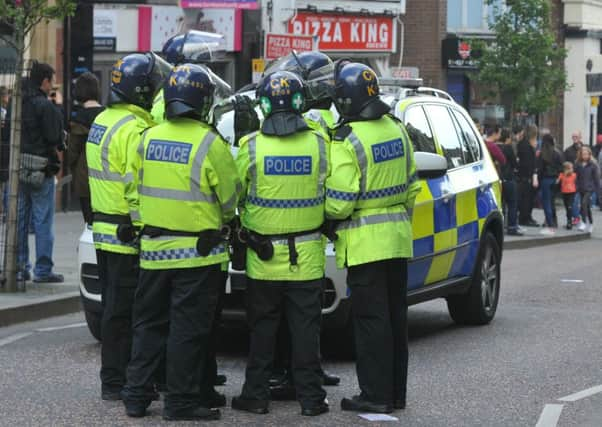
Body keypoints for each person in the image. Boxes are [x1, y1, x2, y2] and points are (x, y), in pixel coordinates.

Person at [121, 64, 239, 421]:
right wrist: (226, 222)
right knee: (187, 331)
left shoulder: (148, 137)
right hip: (197, 258)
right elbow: (231, 199)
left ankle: (136, 396)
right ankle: (181, 402)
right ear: (203, 102)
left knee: (148, 326)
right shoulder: (209, 142)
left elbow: (132, 188)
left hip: (154, 252)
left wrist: (147, 225)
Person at [231, 71, 329, 417]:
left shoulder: (251, 146)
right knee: (306, 332)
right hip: (308, 255)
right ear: (302, 103)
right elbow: (331, 196)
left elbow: (232, 196)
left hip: (263, 257)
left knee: (262, 331)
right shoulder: (319, 143)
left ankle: (256, 397)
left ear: (263, 104)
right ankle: (312, 400)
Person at [325, 62, 420, 413]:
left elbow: (339, 202)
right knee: (396, 318)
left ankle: (374, 395)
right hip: (397, 238)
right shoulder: (396, 129)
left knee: (370, 322)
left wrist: (326, 214)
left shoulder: (346, 139)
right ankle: (395, 393)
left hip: (365, 244)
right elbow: (413, 184)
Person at [86, 52, 168, 401]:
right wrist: (145, 227)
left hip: (105, 231)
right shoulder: (136, 130)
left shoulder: (103, 120)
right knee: (130, 312)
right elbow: (137, 187)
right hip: (127, 233)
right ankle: (120, 381)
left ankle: (114, 378)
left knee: (112, 309)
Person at [260, 50, 341, 400]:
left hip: (270, 240)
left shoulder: (301, 121)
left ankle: (284, 376)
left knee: (274, 319)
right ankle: (306, 379)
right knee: (304, 318)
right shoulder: (320, 125)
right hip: (309, 233)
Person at [17, 61, 65, 282]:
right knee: (43, 220)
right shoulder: (45, 106)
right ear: (44, 81)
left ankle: (19, 266)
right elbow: (55, 138)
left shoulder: (18, 103)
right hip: (41, 169)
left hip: (18, 168)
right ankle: (43, 270)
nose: (52, 85)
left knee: (19, 220)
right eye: (51, 81)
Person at [66, 73, 104, 224]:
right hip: (107, 177)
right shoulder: (107, 115)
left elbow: (72, 154)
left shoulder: (77, 119)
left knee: (90, 223)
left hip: (85, 179)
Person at [537, 134, 563, 235]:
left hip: (546, 180)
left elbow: (540, 169)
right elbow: (561, 168)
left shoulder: (543, 154)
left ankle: (550, 224)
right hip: (555, 180)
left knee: (546, 203)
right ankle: (552, 222)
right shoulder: (557, 153)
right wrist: (558, 178)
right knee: (551, 202)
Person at [498, 129, 522, 236]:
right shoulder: (508, 148)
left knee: (501, 204)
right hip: (509, 178)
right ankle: (512, 227)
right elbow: (514, 163)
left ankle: (500, 226)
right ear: (507, 138)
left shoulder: (496, 147)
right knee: (512, 204)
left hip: (499, 179)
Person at [517, 124, 539, 226]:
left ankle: (527, 217)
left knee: (527, 199)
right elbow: (529, 163)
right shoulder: (527, 146)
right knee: (527, 199)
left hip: (524, 176)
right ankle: (525, 218)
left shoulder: (522, 144)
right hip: (527, 176)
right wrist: (533, 175)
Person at [575, 146, 600, 233]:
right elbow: (576, 177)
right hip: (581, 188)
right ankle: (591, 223)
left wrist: (598, 192)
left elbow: (596, 179)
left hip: (589, 189)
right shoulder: (578, 164)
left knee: (583, 204)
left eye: (586, 154)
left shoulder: (593, 165)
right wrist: (576, 186)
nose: (584, 156)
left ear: (589, 155)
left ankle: (583, 223)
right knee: (587, 207)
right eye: (583, 154)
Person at [557, 161, 577, 229]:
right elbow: (557, 182)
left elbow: (577, 182)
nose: (572, 169)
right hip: (564, 192)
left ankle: (569, 222)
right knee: (566, 207)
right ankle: (569, 220)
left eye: (572, 168)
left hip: (572, 192)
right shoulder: (562, 175)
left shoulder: (574, 175)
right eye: (570, 168)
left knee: (569, 206)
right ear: (566, 169)